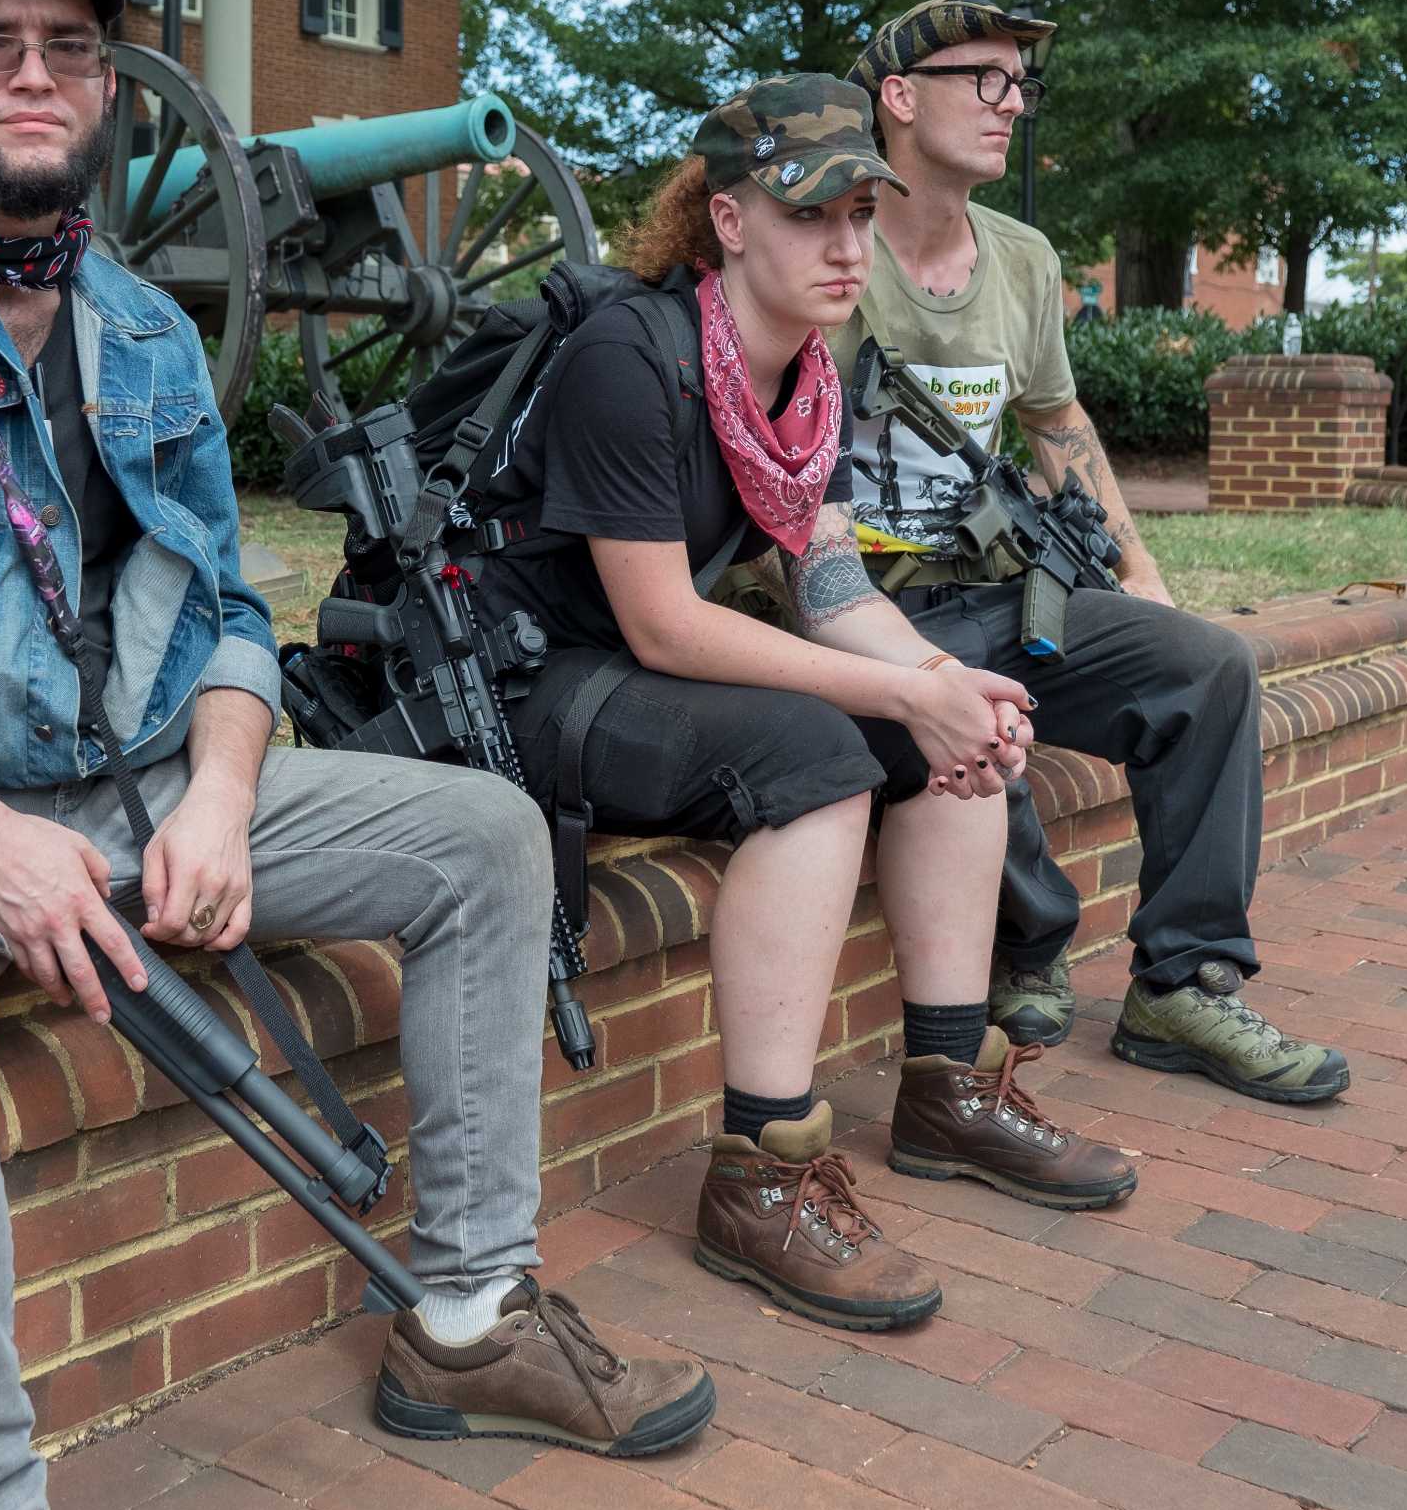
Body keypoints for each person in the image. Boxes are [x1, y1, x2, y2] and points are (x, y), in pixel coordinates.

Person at [0, 0, 715, 1510]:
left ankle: (467, 1318)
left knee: (486, 838)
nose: (33, 74)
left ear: (107, 89)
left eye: (68, 48)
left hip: (135, 779)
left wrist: (220, 797)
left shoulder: (139, 325)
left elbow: (223, 610)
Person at [474, 75, 1137, 1337]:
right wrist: (902, 688)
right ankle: (761, 1170)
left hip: (636, 663)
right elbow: (664, 621)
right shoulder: (632, 354)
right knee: (819, 759)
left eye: (861, 214)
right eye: (809, 213)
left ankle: (947, 1086)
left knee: (939, 727)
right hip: (530, 678)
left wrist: (940, 687)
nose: (846, 245)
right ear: (727, 220)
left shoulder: (808, 377)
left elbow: (829, 590)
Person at [842, 0, 1350, 1103]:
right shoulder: (833, 245)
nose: (1012, 102)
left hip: (991, 588)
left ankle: (1183, 982)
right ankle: (1027, 942)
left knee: (1209, 668)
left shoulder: (1022, 259)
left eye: (1020, 83)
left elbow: (1055, 420)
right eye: (984, 78)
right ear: (899, 97)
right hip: (856, 611)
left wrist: (1141, 572)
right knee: (977, 716)